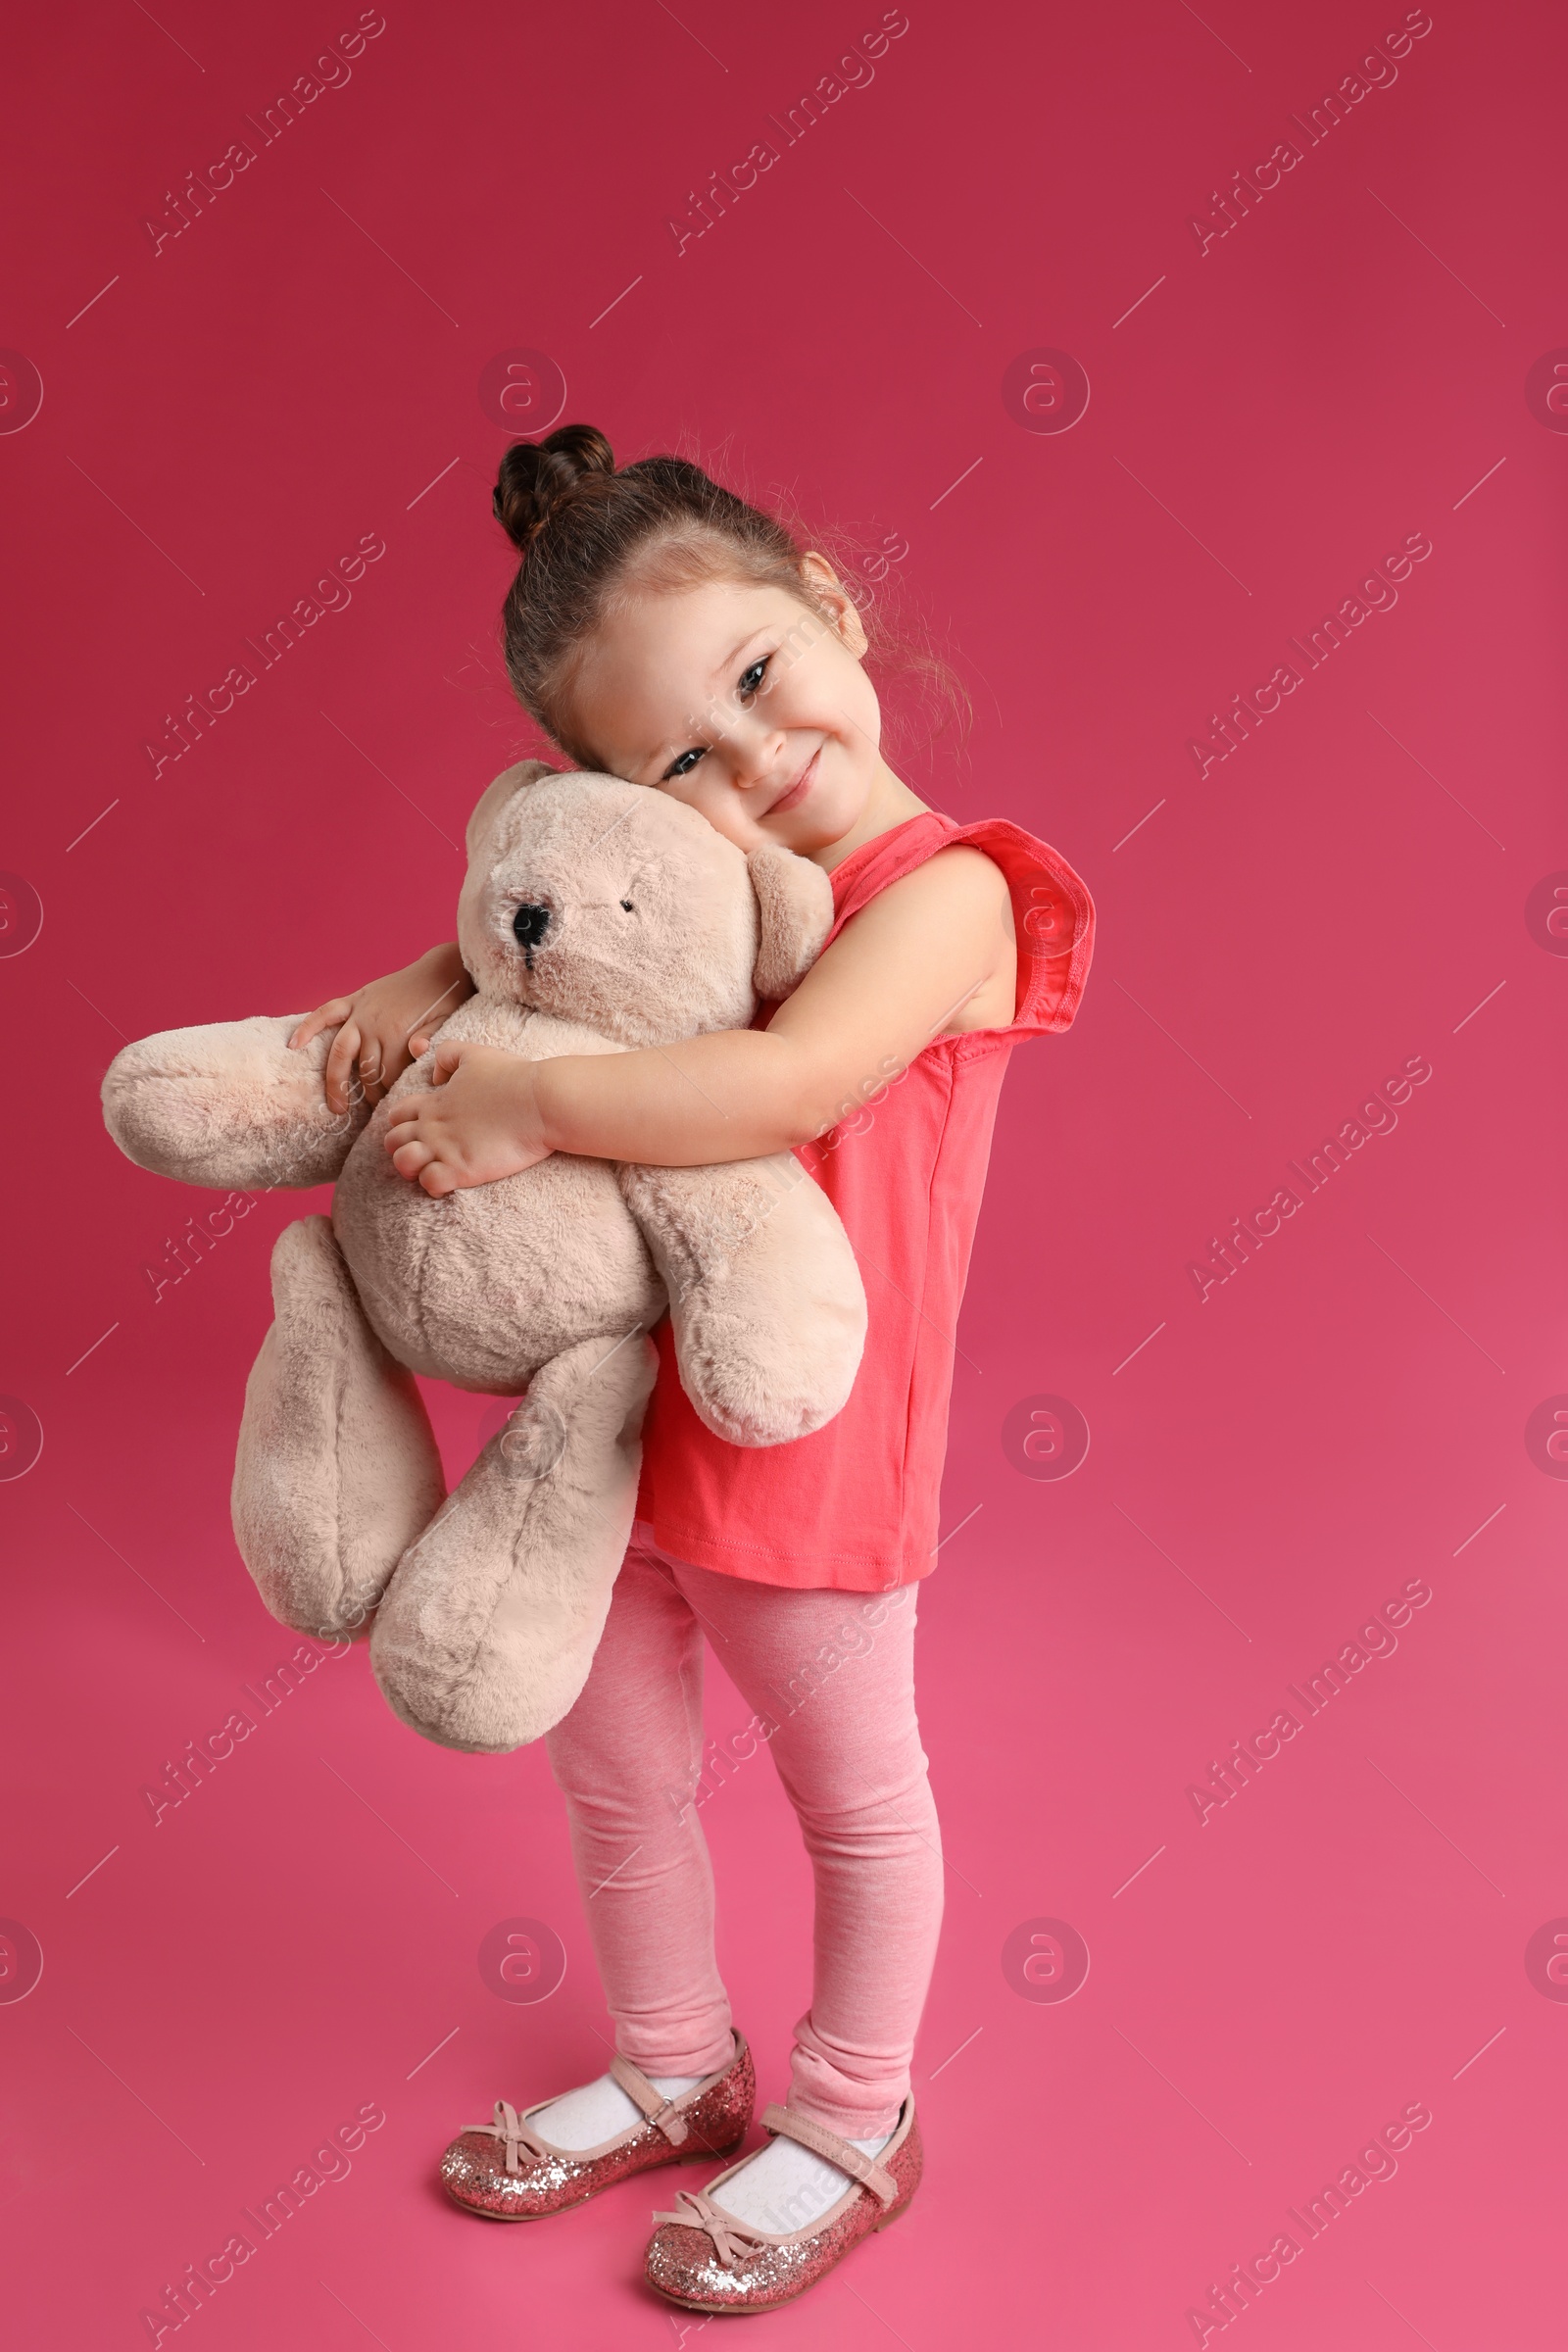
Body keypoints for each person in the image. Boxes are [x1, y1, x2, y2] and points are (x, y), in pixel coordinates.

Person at [289, 424, 1095, 2313]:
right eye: (679, 766)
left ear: (831, 599)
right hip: (612, 1429)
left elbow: (793, 1081)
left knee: (855, 1798)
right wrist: (428, 984)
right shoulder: (711, 887)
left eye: (757, 679)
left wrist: (527, 1104)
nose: (756, 762)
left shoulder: (953, 891)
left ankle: (852, 2111)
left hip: (805, 1443)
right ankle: (674, 2061)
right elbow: (564, 936)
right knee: (616, 1782)